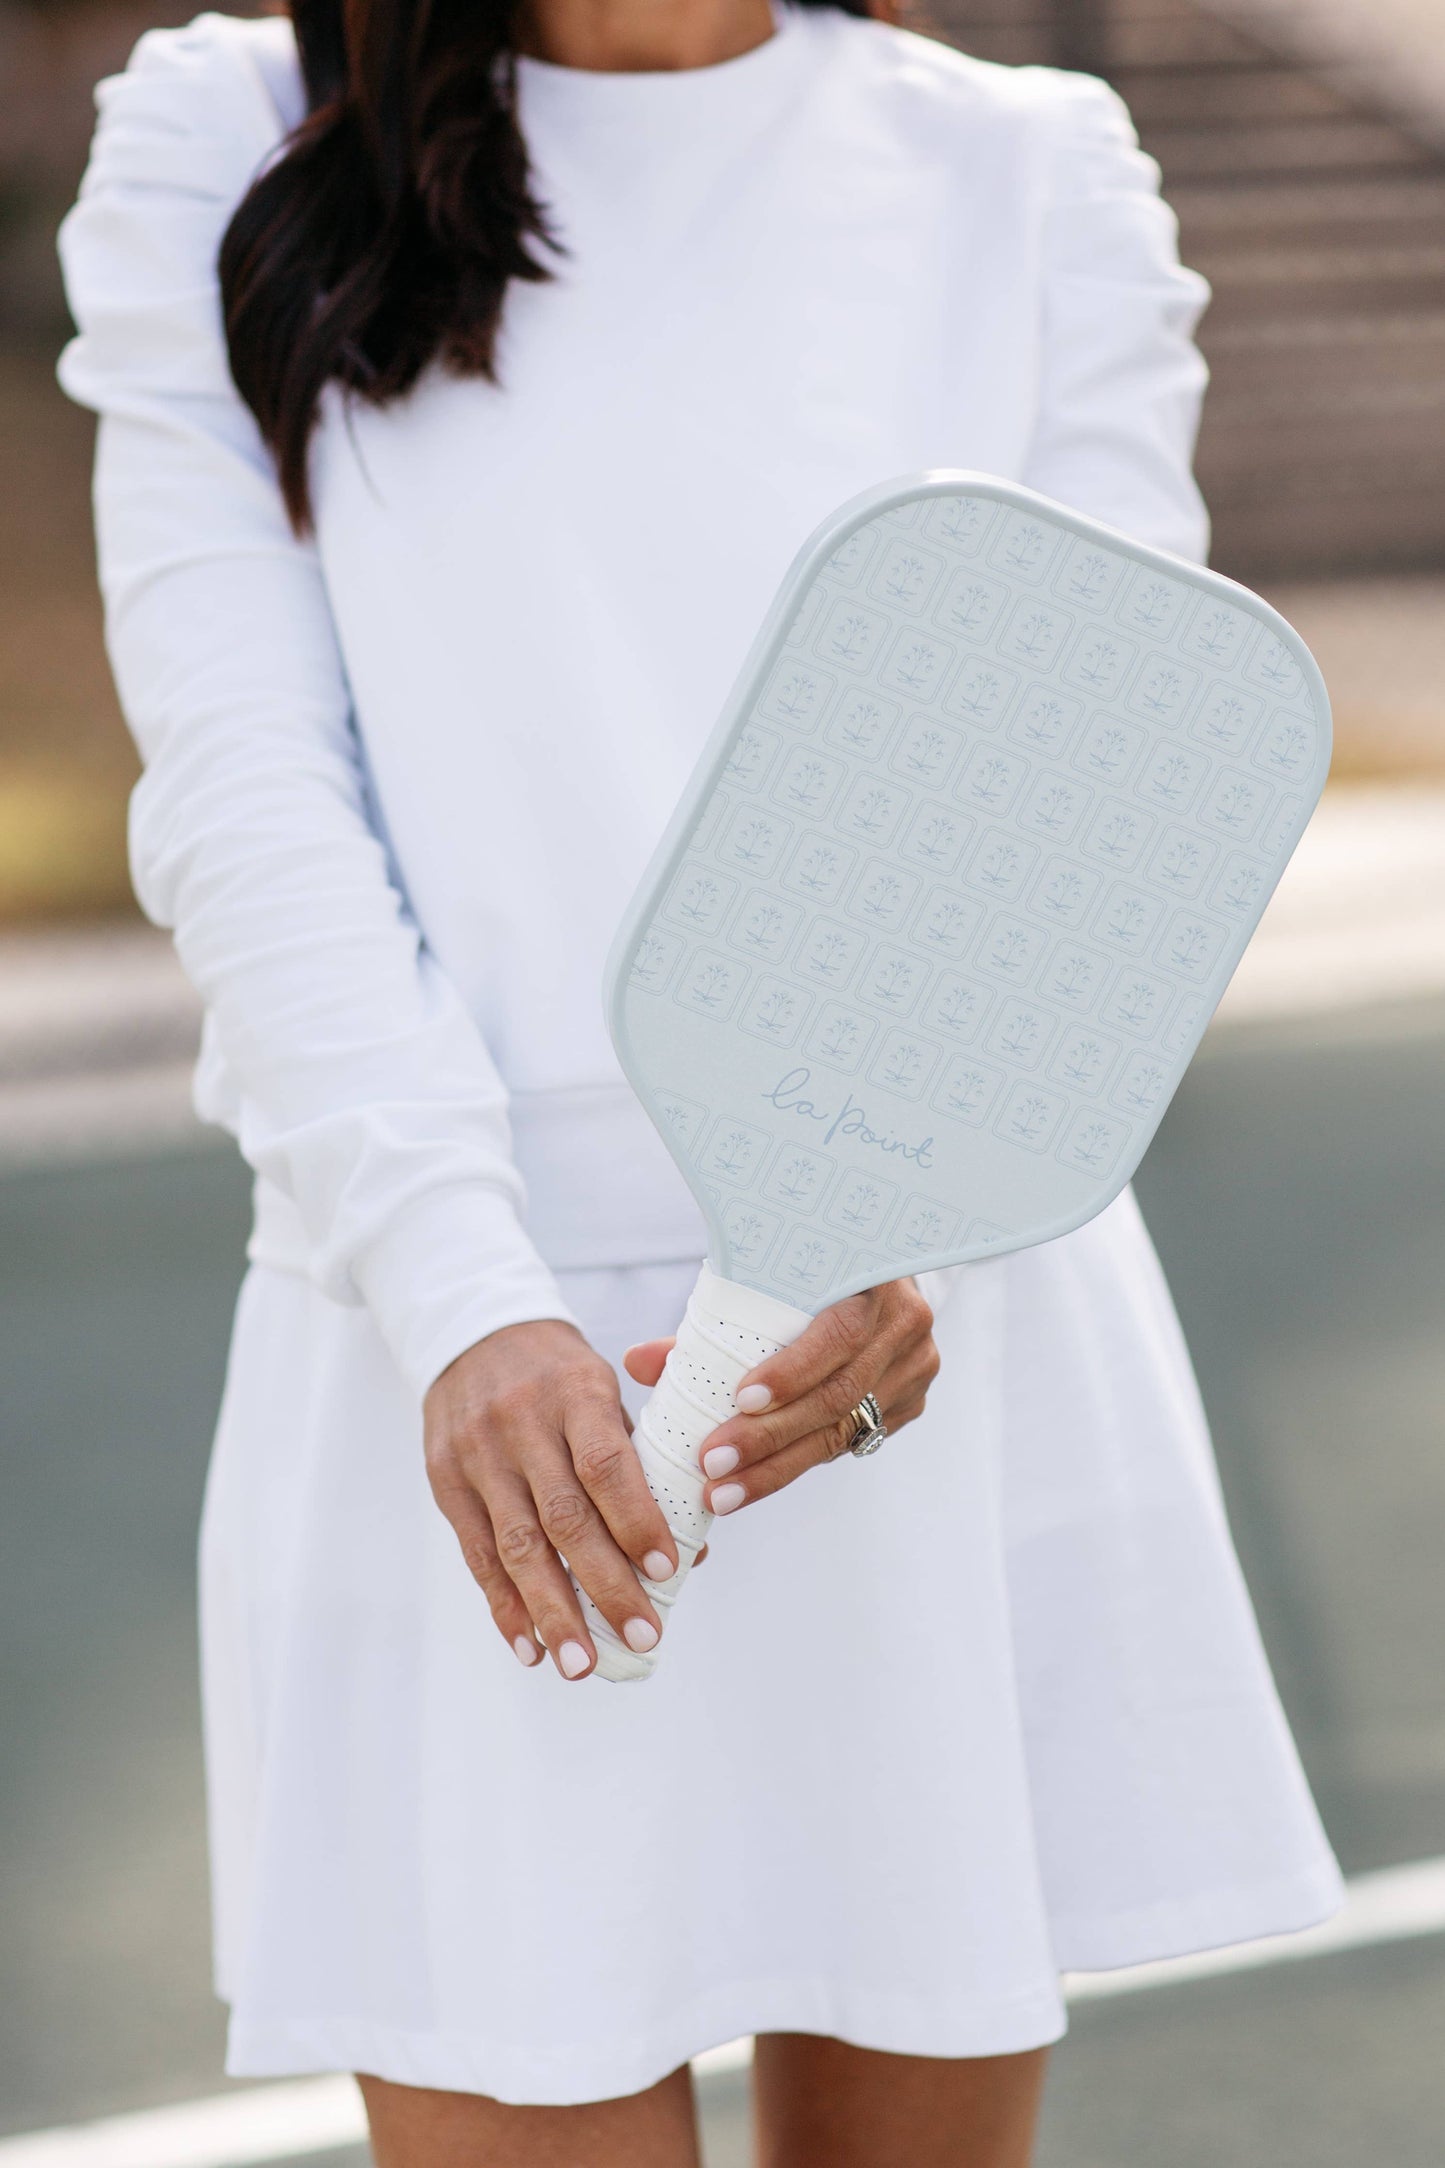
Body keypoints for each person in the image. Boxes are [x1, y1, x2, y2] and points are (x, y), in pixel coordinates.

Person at [56, 0, 1343, 2159]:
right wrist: (467, 1296)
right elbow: (242, 786)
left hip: (915, 1352)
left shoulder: (1035, 171)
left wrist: (901, 1228)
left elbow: (1080, 799)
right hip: (439, 1369)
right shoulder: (234, 129)